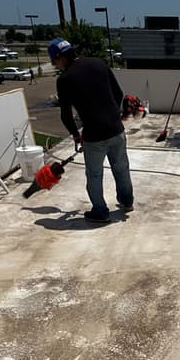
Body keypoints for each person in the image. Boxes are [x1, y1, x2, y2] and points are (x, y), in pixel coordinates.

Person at [49, 37, 134, 223]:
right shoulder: (98, 63)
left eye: (55, 61)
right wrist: (113, 115)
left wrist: (75, 134)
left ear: (60, 58)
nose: (56, 65)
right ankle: (127, 202)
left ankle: (100, 212)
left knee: (95, 175)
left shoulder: (65, 79)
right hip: (116, 130)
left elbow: (66, 115)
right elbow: (119, 93)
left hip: (94, 137)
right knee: (121, 168)